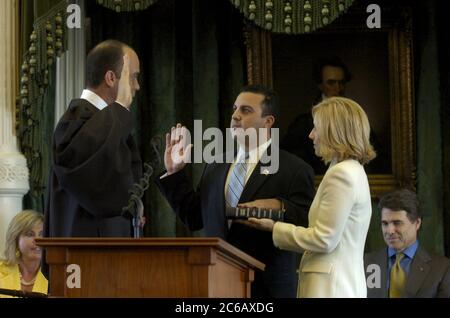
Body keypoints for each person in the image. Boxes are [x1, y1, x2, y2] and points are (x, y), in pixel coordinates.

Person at [156, 85, 315, 298]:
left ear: (268, 122)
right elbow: (194, 218)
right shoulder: (216, 164)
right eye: (234, 109)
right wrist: (174, 172)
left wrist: (277, 208)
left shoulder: (294, 169)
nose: (235, 116)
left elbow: (305, 223)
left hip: (266, 290)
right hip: (216, 286)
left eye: (246, 110)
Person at [249, 97, 376, 298]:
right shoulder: (351, 170)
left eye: (316, 128)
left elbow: (324, 239)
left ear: (333, 131)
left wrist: (274, 228)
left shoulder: (341, 173)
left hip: (330, 288)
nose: (311, 135)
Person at [45, 40, 143, 237]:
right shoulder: (76, 120)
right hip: (82, 260)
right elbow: (93, 184)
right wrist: (120, 107)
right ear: (111, 78)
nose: (137, 86)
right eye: (132, 77)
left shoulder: (109, 122)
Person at [364, 189, 450, 298]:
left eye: (397, 223)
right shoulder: (364, 264)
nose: (390, 231)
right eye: (385, 223)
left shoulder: (442, 269)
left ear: (417, 223)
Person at [281, 56, 352, 175]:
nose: (338, 88)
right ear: (320, 85)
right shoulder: (302, 124)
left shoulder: (354, 120)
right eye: (331, 83)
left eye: (341, 83)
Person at [0, 210, 48, 297]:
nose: (38, 240)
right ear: (15, 239)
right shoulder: (1, 271)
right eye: (30, 234)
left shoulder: (57, 273)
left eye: (42, 234)